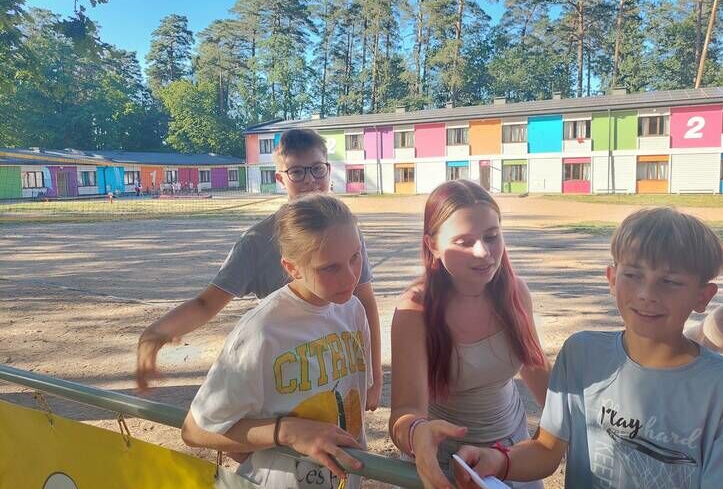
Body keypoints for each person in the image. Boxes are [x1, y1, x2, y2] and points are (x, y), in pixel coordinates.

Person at [453, 207, 723, 489]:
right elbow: (546, 448)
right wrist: (499, 461)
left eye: (670, 282)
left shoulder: (716, 387)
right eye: (633, 275)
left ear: (703, 296)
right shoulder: (581, 354)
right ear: (612, 279)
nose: (647, 294)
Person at [136, 128, 383, 411]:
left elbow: (365, 300)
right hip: (286, 375)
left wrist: (373, 375)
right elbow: (207, 304)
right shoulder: (257, 241)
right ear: (280, 178)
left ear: (328, 169)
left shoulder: (345, 231)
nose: (310, 180)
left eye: (317, 169)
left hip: (336, 366)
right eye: (297, 172)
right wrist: (156, 333)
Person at [182, 194, 370, 488]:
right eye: (330, 267)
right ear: (292, 268)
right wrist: (286, 432)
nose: (350, 278)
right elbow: (195, 430)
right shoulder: (262, 331)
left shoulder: (353, 310)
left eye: (355, 257)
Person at [389, 180, 550, 489]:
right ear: (432, 245)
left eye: (492, 237)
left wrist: (573, 423)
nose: (483, 252)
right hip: (446, 464)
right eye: (464, 242)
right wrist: (416, 434)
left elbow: (535, 366)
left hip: (511, 454)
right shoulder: (414, 310)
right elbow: (404, 412)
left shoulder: (516, 292)